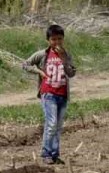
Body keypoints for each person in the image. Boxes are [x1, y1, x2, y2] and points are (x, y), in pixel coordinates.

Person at [22, 23, 78, 165]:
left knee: (58, 126)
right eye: (53, 39)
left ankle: (54, 153)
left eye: (59, 39)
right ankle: (46, 153)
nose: (57, 42)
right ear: (48, 40)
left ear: (63, 39)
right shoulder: (43, 54)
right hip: (48, 93)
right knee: (51, 123)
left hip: (62, 94)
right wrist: (39, 72)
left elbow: (71, 73)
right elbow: (26, 64)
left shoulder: (66, 54)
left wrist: (64, 59)